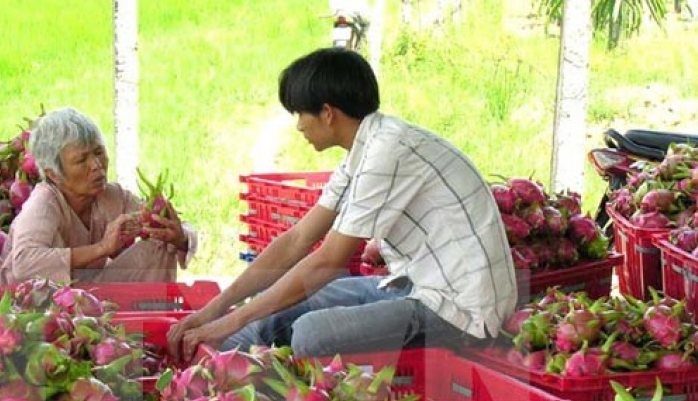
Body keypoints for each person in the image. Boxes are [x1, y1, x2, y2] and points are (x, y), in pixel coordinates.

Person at [168, 47, 516, 362]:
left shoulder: (388, 151)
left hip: (460, 310)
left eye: (300, 114)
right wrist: (212, 312)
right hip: (417, 284)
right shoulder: (363, 151)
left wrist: (231, 318)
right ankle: (210, 369)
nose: (299, 126)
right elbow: (297, 240)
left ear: (327, 113)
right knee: (301, 303)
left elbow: (327, 260)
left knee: (311, 333)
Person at [0, 107, 197, 285]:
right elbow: (25, 263)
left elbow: (184, 229)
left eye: (99, 152)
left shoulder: (112, 196)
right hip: (29, 309)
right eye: (82, 160)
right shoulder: (43, 203)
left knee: (160, 240)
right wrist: (102, 248)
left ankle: (151, 324)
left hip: (86, 299)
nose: (97, 166)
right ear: (53, 174)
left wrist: (179, 236)